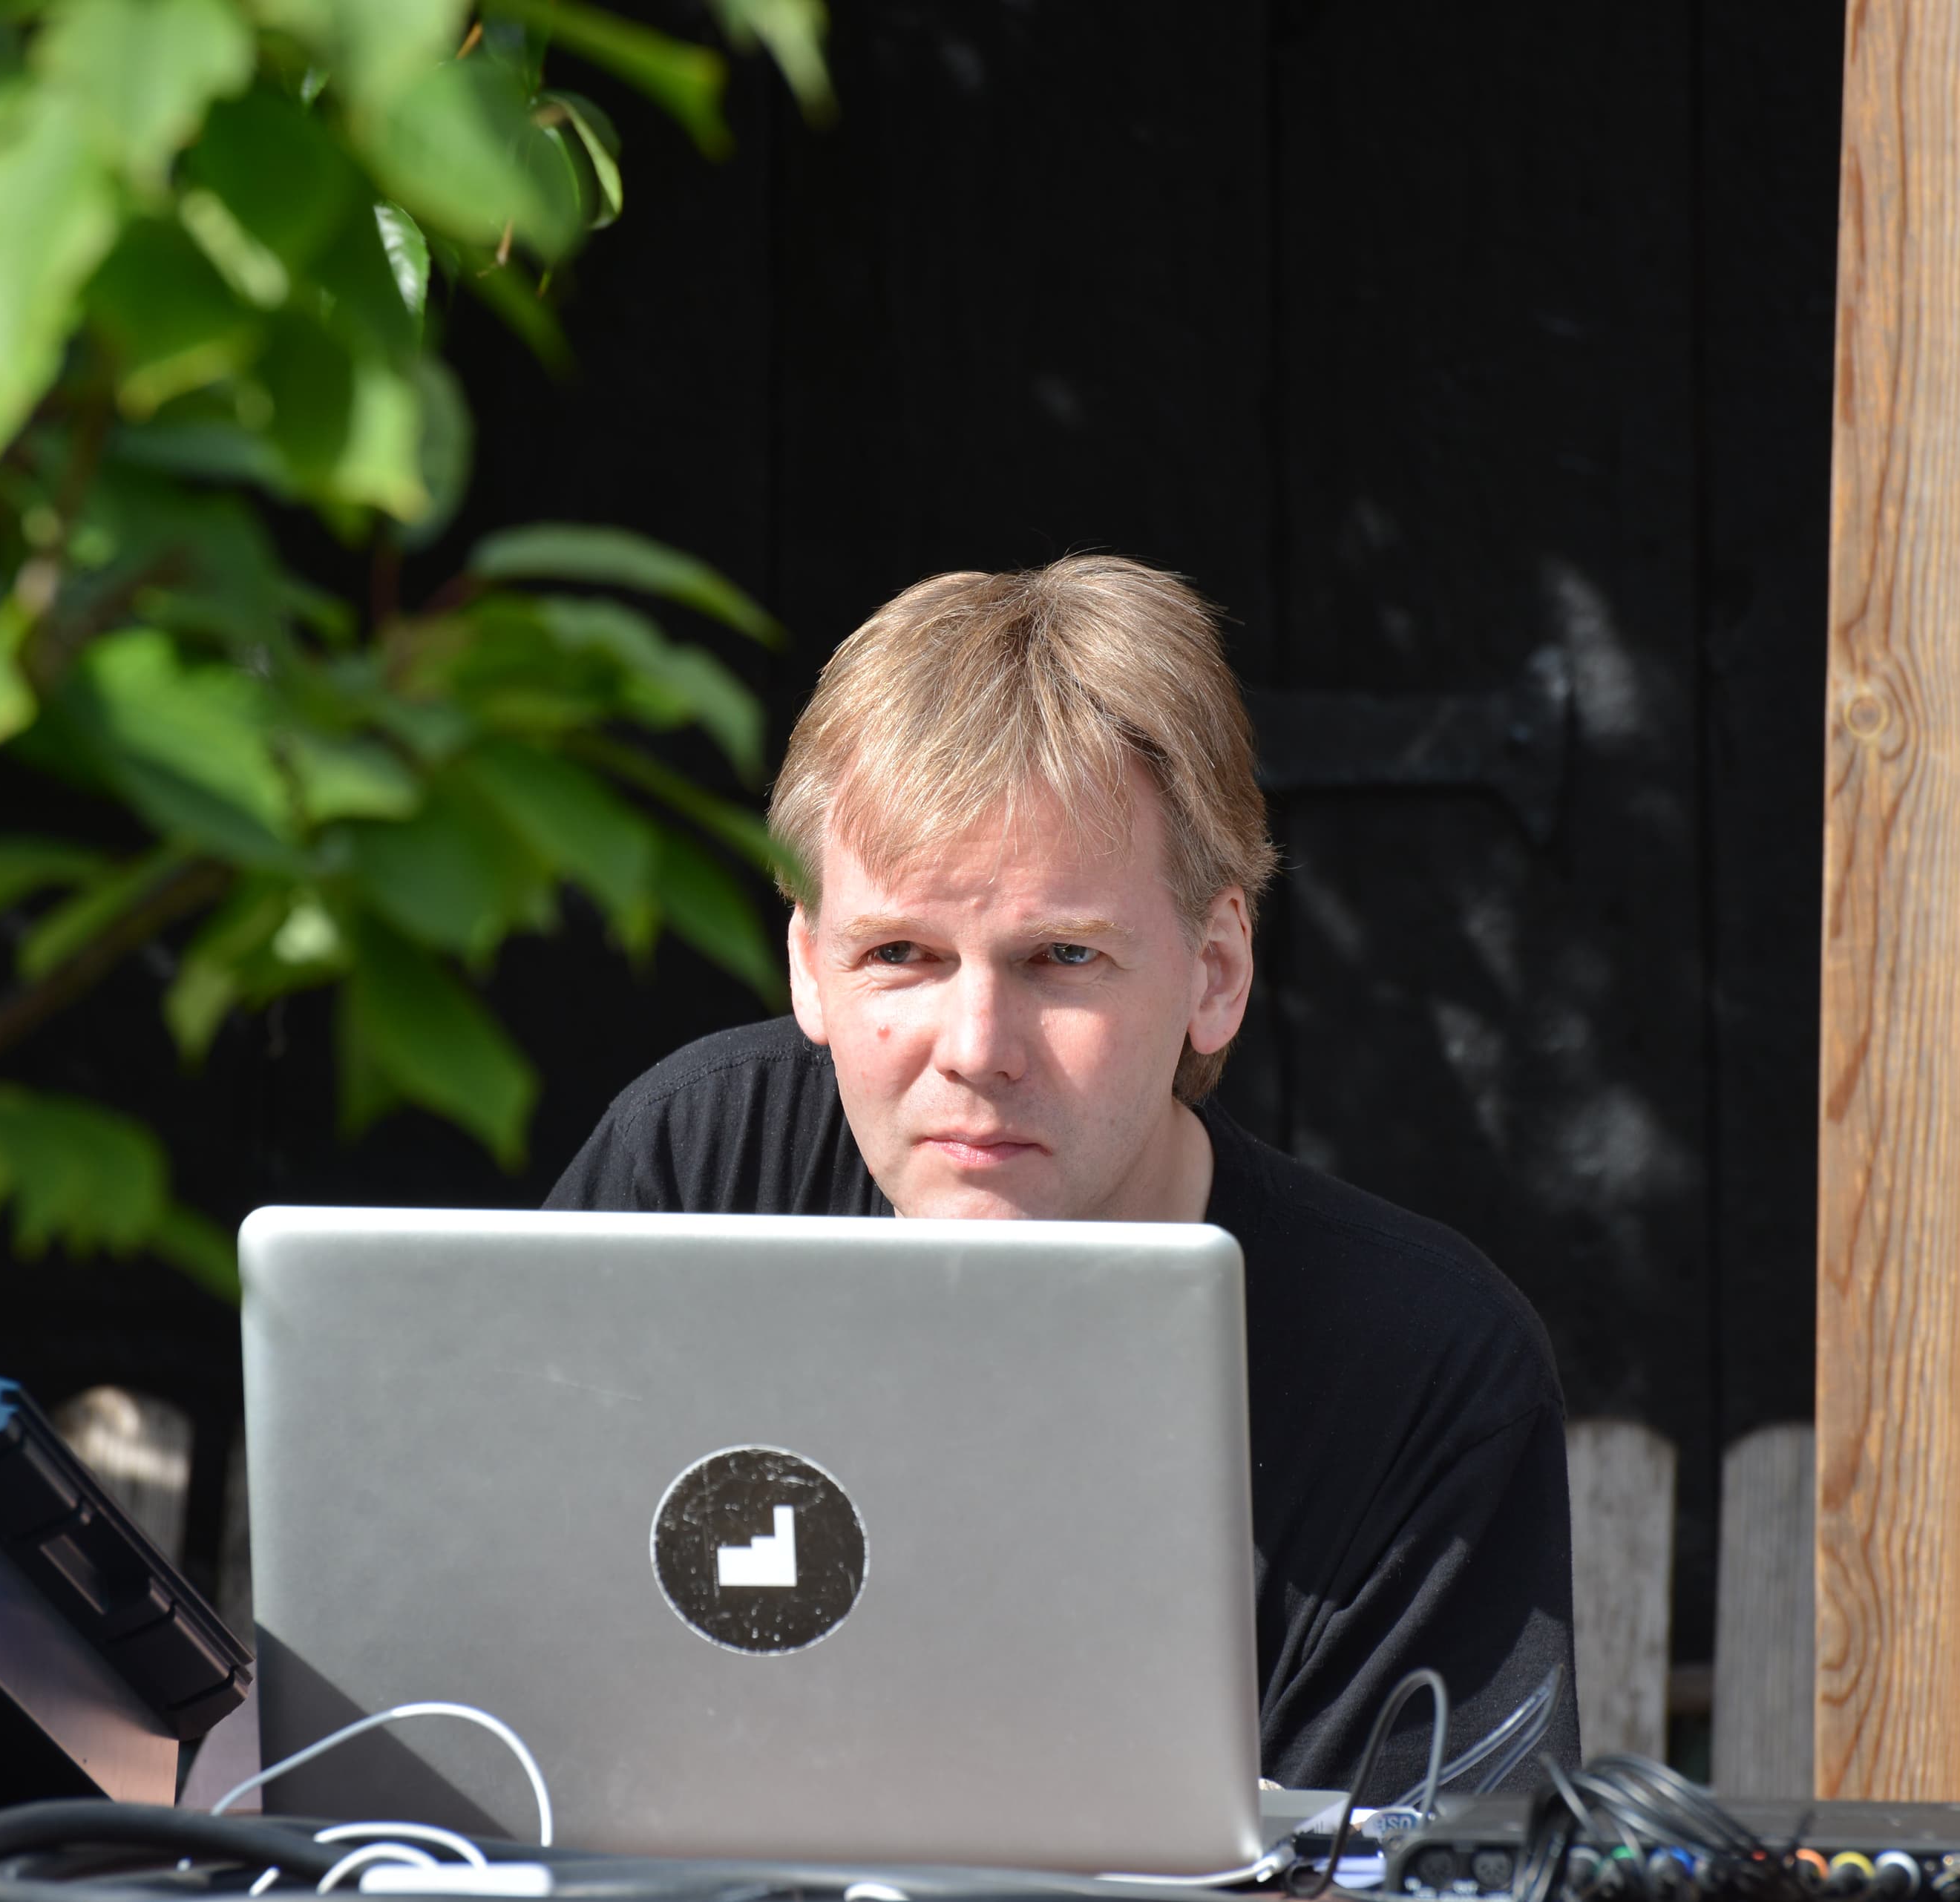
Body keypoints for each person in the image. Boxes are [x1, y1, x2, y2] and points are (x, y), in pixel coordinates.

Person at [547, 555, 1578, 1800]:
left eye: (1063, 957)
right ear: (809, 968)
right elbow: (512, 1671)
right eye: (901, 954)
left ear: (1216, 973)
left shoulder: (1421, 1367)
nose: (977, 1050)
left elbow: (1426, 1873)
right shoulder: (695, 1169)